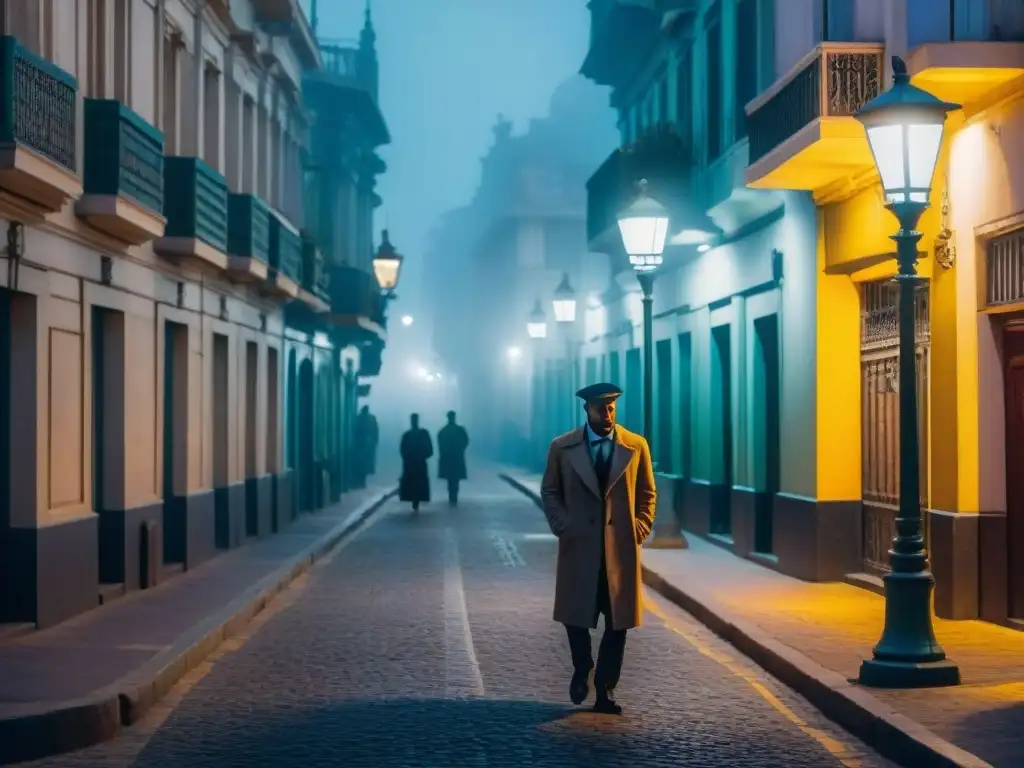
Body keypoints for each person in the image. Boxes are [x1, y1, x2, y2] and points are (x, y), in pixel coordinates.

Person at [540, 382, 656, 715]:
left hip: (619, 550)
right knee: (575, 618)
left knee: (618, 623)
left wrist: (640, 528)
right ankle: (582, 667)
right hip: (580, 546)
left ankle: (605, 690)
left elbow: (648, 493)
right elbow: (550, 490)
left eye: (611, 409)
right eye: (600, 409)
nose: (606, 415)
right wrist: (563, 525)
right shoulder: (562, 448)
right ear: (586, 411)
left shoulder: (636, 446)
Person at [399, 413, 433, 514]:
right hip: (417, 463)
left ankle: (415, 500)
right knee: (416, 483)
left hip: (413, 463)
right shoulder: (422, 434)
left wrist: (408, 457)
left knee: (415, 483)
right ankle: (415, 500)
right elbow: (429, 449)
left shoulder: (408, 435)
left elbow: (402, 450)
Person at [437, 411, 469, 507]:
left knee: (450, 478)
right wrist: (460, 449)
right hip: (457, 457)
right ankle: (454, 496)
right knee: (455, 479)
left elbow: (440, 444)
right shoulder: (460, 430)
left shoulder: (443, 431)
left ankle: (452, 496)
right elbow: (466, 441)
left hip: (447, 458)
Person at [353, 405, 379, 488]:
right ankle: (361, 481)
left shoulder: (360, 418)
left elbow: (375, 432)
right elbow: (375, 432)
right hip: (365, 446)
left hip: (363, 446)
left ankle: (361, 481)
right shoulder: (371, 419)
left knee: (362, 465)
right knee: (363, 465)